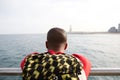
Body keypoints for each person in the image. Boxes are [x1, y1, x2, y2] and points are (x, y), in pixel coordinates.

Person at [20, 27, 91, 80]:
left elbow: (25, 61)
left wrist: (36, 55)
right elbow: (86, 62)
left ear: (46, 44)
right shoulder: (75, 62)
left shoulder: (32, 61)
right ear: (66, 46)